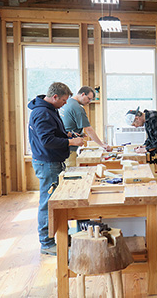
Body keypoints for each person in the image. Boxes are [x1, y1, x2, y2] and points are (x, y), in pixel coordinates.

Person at [28, 82, 84, 256]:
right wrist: (71, 142)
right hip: (47, 163)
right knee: (48, 202)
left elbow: (52, 133)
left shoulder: (49, 110)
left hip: (52, 161)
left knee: (57, 201)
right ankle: (46, 242)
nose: (66, 103)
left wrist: (67, 134)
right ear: (55, 97)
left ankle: (61, 235)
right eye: (64, 100)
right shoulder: (42, 112)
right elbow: (46, 140)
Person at [60, 86, 111, 167]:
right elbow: (88, 129)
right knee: (70, 172)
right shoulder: (77, 108)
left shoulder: (68, 102)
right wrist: (102, 145)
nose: (89, 102)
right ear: (83, 94)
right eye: (89, 98)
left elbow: (68, 124)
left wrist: (78, 134)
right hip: (69, 148)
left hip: (63, 145)